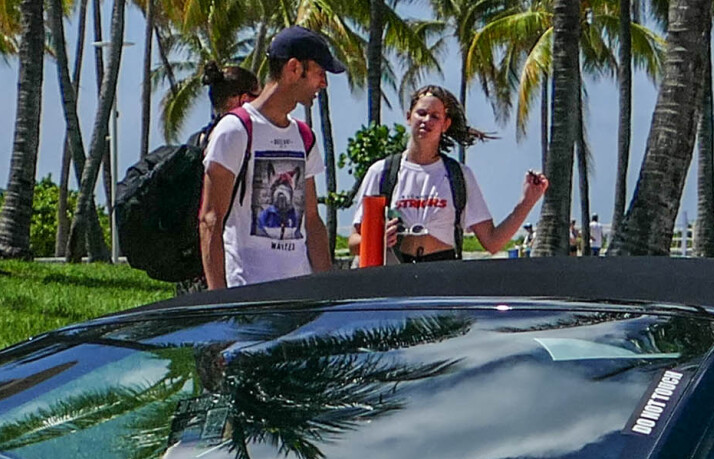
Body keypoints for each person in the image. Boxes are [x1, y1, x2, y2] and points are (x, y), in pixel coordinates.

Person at [199, 27, 343, 289]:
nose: (324, 83)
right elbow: (210, 219)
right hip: (246, 290)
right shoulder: (236, 129)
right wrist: (217, 300)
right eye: (320, 73)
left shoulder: (304, 136)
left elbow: (311, 219)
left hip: (298, 293)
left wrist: (326, 289)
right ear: (294, 69)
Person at [356, 86, 546, 263]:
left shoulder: (459, 175)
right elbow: (353, 241)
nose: (426, 121)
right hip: (396, 271)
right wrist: (375, 241)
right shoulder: (382, 172)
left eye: (435, 116)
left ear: (445, 124)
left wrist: (528, 201)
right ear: (409, 117)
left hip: (443, 272)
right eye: (421, 113)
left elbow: (492, 242)